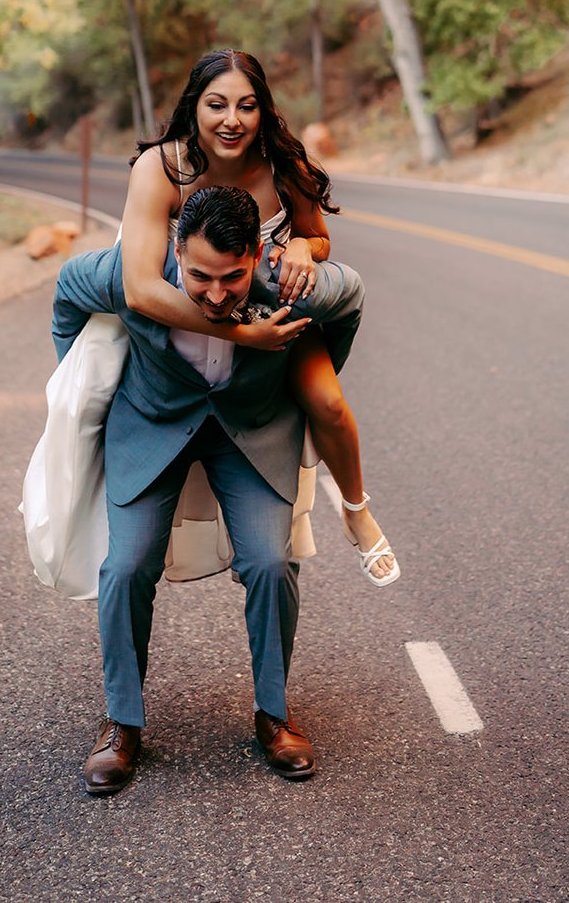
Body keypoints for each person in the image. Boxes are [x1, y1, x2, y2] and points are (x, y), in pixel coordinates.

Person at [52, 184, 365, 793]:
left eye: (233, 278)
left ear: (256, 254)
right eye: (199, 278)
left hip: (251, 429)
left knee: (272, 562)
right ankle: (121, 724)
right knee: (126, 566)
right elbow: (66, 289)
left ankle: (274, 714)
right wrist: (74, 381)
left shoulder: (287, 281)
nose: (216, 295)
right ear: (174, 248)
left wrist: (315, 370)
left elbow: (350, 298)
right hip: (153, 423)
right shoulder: (129, 274)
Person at [121, 49, 398, 587]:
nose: (232, 120)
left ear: (263, 110)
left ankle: (357, 510)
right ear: (193, 106)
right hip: (189, 323)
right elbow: (139, 287)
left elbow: (319, 235)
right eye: (217, 104)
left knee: (328, 404)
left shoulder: (282, 165)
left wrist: (300, 245)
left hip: (276, 319)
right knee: (97, 396)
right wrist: (239, 331)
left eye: (246, 106)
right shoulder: (165, 167)